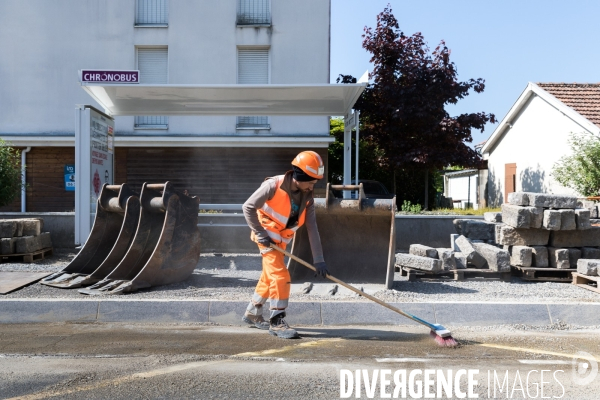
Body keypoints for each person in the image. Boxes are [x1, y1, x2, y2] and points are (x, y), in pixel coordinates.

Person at [242, 151, 329, 339]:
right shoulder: (273, 185)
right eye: (311, 181)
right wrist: (260, 232)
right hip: (267, 237)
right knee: (281, 275)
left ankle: (253, 312)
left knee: (269, 276)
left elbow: (312, 228)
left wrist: (319, 259)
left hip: (281, 240)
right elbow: (248, 206)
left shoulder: (308, 197)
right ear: (300, 176)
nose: (313, 186)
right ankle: (277, 320)